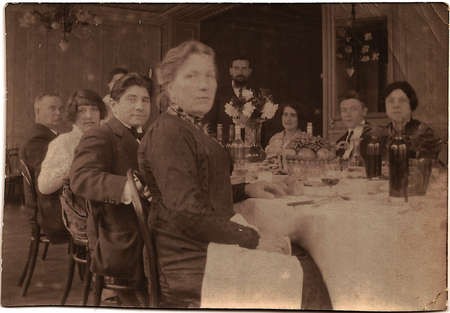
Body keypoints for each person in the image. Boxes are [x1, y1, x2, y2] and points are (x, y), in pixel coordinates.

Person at [138, 40, 331, 309]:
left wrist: (246, 189)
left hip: (200, 247)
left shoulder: (185, 126)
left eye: (209, 76)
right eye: (191, 76)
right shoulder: (169, 133)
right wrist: (253, 239)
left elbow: (200, 187)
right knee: (302, 267)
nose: (204, 85)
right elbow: (187, 211)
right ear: (169, 86)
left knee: (297, 253)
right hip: (190, 262)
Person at [70, 73, 152, 306]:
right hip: (118, 237)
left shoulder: (142, 135)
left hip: (139, 226)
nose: (139, 106)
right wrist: (129, 189)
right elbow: (81, 177)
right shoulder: (101, 134)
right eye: (131, 99)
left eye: (145, 100)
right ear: (114, 104)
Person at [20, 93, 69, 243]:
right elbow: (45, 183)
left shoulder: (48, 136)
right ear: (37, 110)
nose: (58, 113)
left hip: (51, 205)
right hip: (50, 212)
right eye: (52, 108)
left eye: (60, 109)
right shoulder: (38, 140)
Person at [38, 89, 107, 195]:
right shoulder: (62, 142)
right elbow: (44, 186)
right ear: (73, 114)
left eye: (94, 109)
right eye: (82, 110)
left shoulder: (105, 140)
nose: (89, 115)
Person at [203, 56, 262, 143]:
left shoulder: (258, 95)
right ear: (231, 71)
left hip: (251, 148)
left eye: (244, 68)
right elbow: (209, 124)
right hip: (224, 147)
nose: (240, 72)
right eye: (236, 68)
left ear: (250, 71)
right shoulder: (218, 93)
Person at [381, 81, 441, 159]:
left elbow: (425, 166)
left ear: (411, 104)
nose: (396, 105)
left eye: (402, 100)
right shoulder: (381, 135)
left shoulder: (424, 133)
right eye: (391, 101)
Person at [335, 90, 372, 160]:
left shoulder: (374, 137)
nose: (347, 114)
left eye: (353, 109)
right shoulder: (340, 141)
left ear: (364, 112)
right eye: (344, 110)